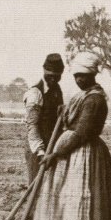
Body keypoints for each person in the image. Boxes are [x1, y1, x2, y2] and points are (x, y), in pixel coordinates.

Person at [29, 52, 111, 220]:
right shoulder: (83, 95)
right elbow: (72, 122)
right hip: (73, 154)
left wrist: (56, 153)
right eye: (76, 76)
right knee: (71, 203)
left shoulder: (94, 99)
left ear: (92, 75)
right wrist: (63, 114)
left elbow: (81, 133)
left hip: (85, 155)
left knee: (85, 203)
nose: (79, 80)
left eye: (83, 76)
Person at [23, 53, 64, 184]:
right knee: (36, 187)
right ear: (44, 71)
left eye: (57, 76)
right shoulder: (35, 93)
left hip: (52, 149)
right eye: (50, 76)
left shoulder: (57, 90)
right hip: (37, 150)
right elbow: (32, 127)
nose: (53, 79)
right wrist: (41, 152)